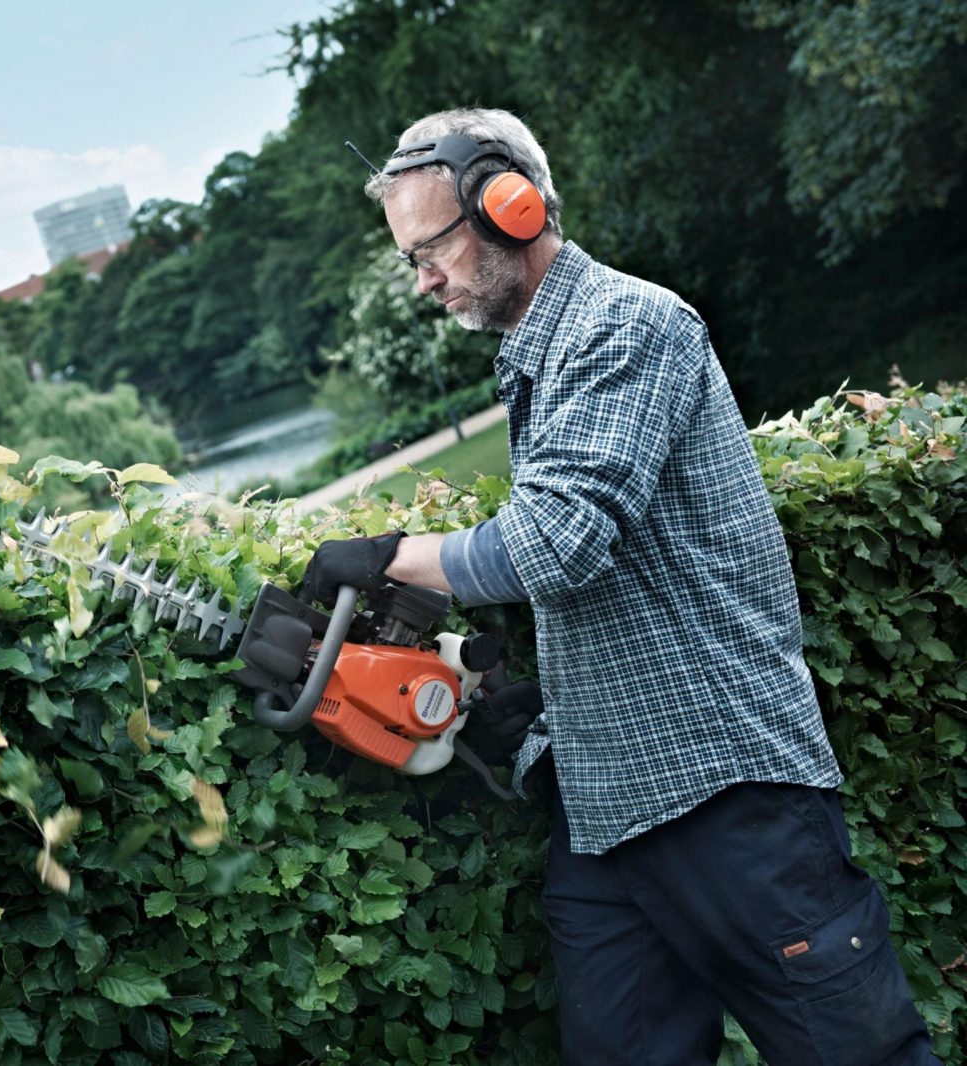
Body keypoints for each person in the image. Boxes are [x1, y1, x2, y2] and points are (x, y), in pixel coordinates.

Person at [297, 108, 940, 1066]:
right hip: (607, 812)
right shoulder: (541, 356)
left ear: (510, 207)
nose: (423, 279)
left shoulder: (625, 327)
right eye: (411, 259)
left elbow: (556, 546)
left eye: (429, 248)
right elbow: (606, 564)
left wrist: (390, 554)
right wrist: (550, 700)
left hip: (726, 795)